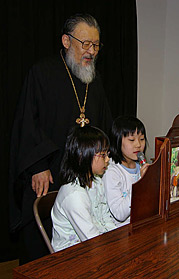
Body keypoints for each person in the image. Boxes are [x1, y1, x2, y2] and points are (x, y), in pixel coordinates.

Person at [9, 14, 112, 264]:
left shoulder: (94, 81)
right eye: (85, 44)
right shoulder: (42, 73)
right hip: (48, 172)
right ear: (66, 41)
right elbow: (27, 123)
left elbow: (105, 125)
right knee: (40, 252)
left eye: (96, 45)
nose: (92, 51)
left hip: (83, 176)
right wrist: (38, 165)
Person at [51, 126, 116, 252]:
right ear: (83, 156)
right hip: (71, 257)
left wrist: (116, 239)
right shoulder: (74, 195)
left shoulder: (97, 182)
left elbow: (105, 217)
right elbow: (91, 239)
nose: (108, 159)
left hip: (94, 246)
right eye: (103, 155)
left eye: (107, 154)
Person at [102, 116, 149, 227]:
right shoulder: (111, 171)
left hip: (140, 224)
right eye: (132, 140)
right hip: (121, 231)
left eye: (142, 139)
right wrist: (140, 182)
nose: (138, 144)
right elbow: (119, 214)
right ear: (117, 141)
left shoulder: (140, 166)